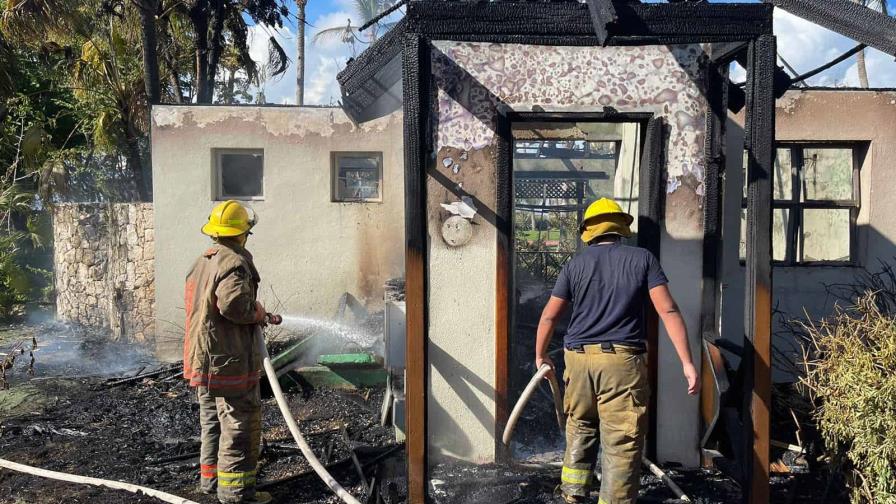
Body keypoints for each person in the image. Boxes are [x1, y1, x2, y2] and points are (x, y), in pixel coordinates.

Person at [534, 198, 698, 504]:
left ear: (588, 231)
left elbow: (549, 317)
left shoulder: (574, 265)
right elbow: (668, 311)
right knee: (621, 439)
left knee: (580, 426)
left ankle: (573, 494)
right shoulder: (642, 259)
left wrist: (540, 355)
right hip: (620, 363)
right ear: (621, 227)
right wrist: (687, 363)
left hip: (577, 360)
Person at [183, 200, 272, 504]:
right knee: (238, 424)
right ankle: (236, 493)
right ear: (242, 233)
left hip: (205, 358)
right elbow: (233, 305)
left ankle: (210, 481)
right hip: (228, 359)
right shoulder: (233, 263)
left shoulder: (202, 261)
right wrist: (257, 313)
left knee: (211, 420)